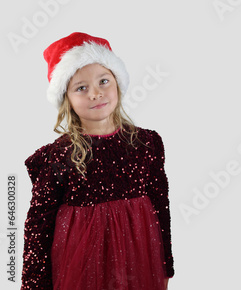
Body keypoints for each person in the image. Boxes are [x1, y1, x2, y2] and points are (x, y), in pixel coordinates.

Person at [20, 32, 174, 289]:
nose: (95, 93)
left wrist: (166, 262)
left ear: (117, 83)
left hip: (140, 262)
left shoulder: (147, 144)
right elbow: (38, 225)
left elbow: (160, 204)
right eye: (81, 88)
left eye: (103, 81)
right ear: (66, 99)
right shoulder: (58, 156)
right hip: (80, 269)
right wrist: (34, 284)